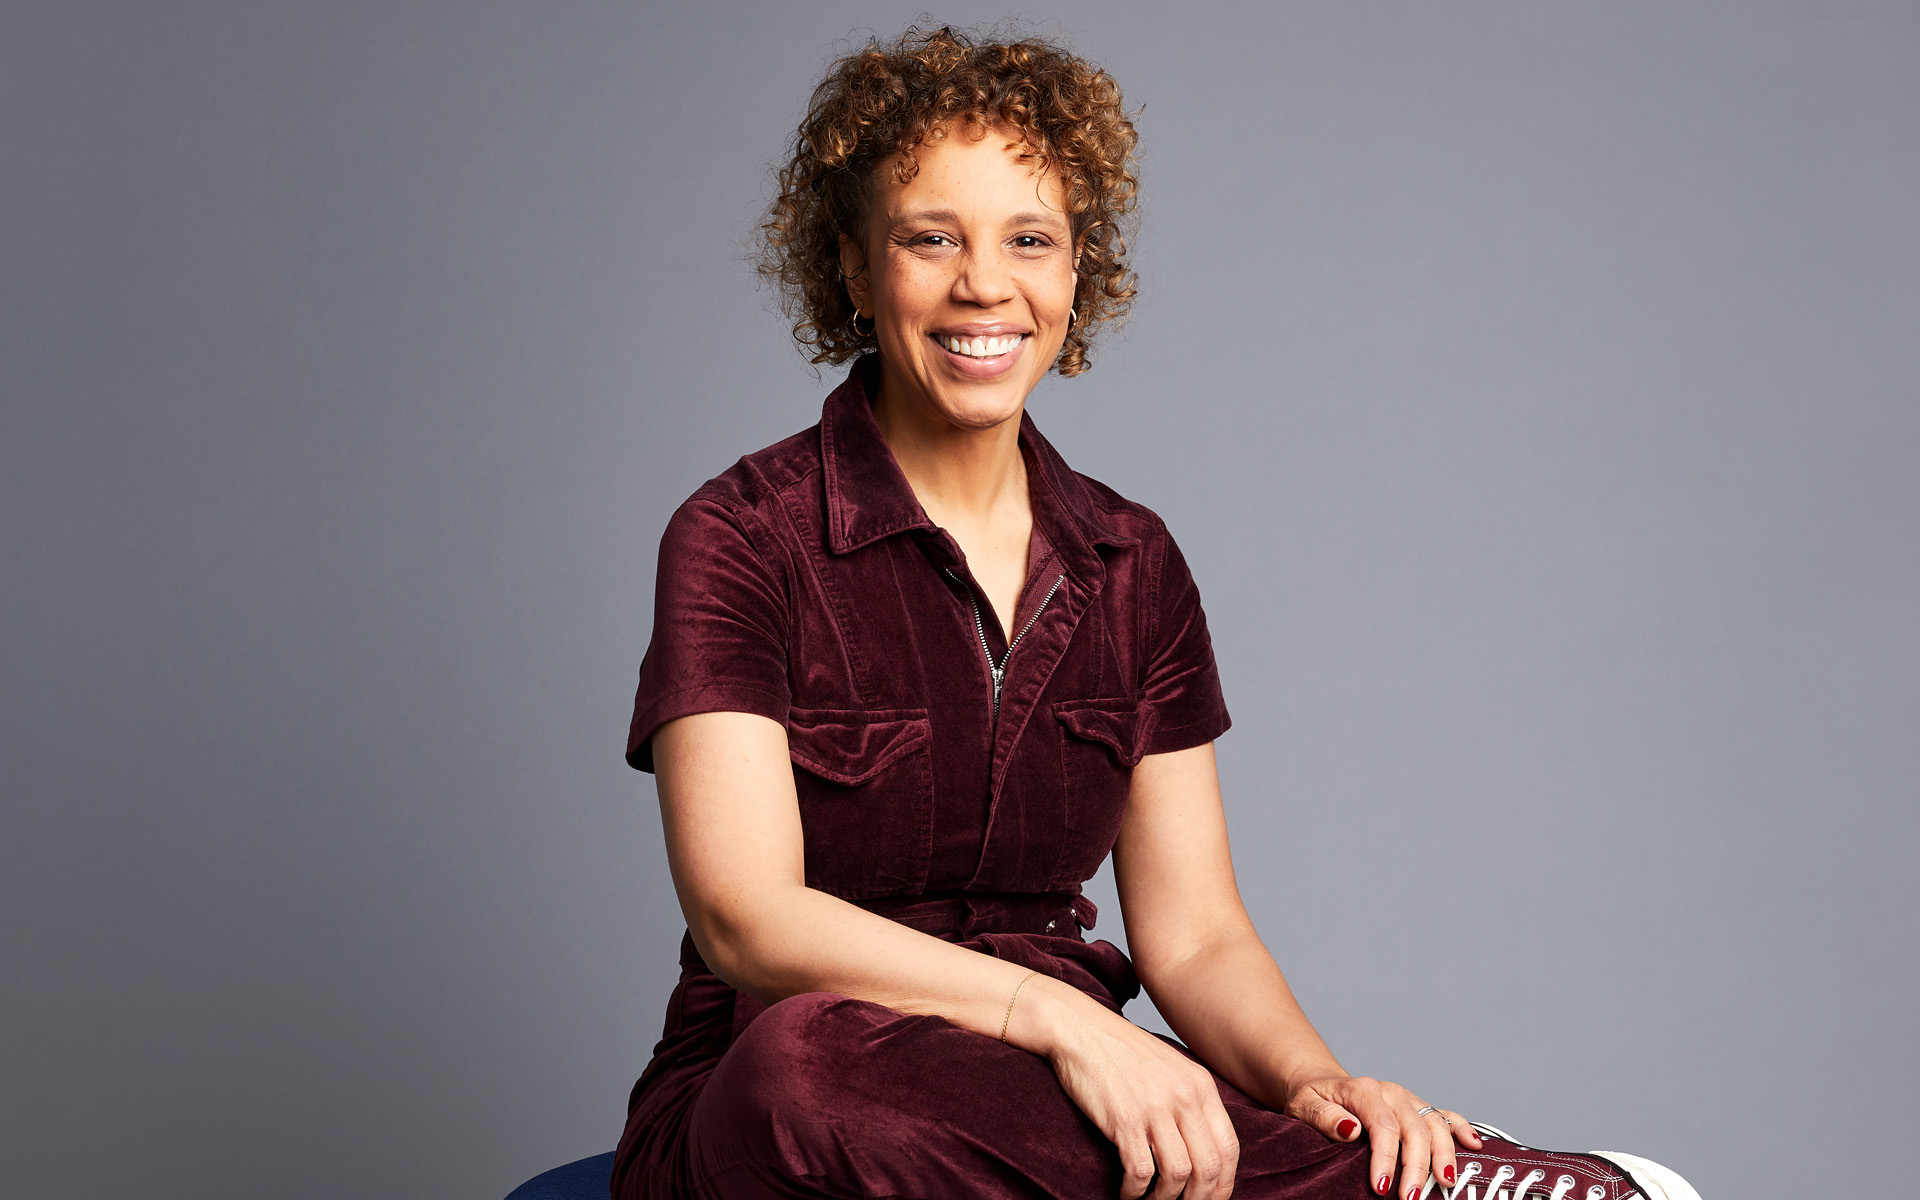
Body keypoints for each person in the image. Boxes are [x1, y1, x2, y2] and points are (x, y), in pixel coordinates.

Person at [612, 25, 1698, 1200]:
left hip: (1057, 1098)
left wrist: (1320, 1088)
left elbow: (1196, 936)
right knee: (803, 1067)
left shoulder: (1132, 562)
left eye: (1030, 240)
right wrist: (1062, 1022)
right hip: (791, 1102)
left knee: (1180, 1123)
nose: (986, 284)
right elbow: (749, 919)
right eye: (932, 238)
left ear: (1077, 273)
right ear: (853, 267)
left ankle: (1385, 1177)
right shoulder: (741, 536)